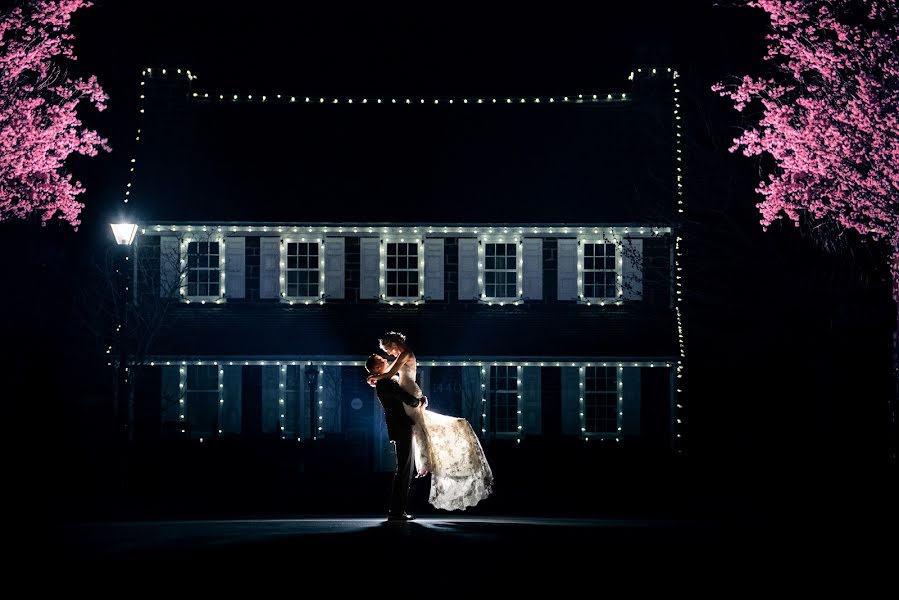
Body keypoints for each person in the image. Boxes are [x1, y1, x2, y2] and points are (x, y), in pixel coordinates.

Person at [367, 331, 494, 511]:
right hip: (405, 414)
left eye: (388, 351)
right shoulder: (388, 379)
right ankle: (403, 499)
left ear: (394, 345)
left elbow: (394, 378)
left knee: (418, 439)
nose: (389, 355)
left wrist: (375, 378)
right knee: (410, 454)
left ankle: (425, 464)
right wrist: (377, 378)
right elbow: (396, 385)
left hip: (408, 405)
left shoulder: (403, 358)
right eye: (384, 355)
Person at [366, 353, 420, 522]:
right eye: (381, 360)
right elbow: (403, 397)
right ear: (376, 368)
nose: (385, 359)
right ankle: (397, 511)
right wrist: (418, 402)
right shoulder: (386, 383)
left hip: (400, 426)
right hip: (401, 427)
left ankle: (398, 510)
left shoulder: (384, 381)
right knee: (404, 468)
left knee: (406, 468)